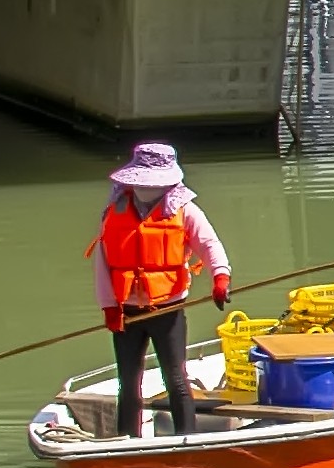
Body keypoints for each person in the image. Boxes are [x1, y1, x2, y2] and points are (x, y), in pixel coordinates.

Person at [88, 141, 231, 437]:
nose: (146, 189)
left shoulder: (185, 210)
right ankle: (128, 440)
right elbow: (103, 261)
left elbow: (209, 245)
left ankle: (186, 438)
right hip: (126, 310)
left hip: (169, 308)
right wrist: (109, 306)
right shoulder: (115, 211)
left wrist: (220, 276)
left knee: (176, 378)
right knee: (128, 381)